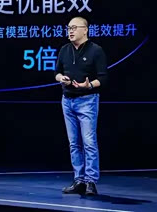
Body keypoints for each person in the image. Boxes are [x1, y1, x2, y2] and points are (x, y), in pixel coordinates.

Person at [54, 16, 108, 196]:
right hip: (67, 100)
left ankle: (90, 181)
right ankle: (79, 180)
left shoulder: (96, 50)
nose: (70, 31)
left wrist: (89, 85)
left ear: (85, 30)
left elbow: (103, 78)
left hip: (87, 100)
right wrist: (61, 78)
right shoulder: (64, 49)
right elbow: (57, 73)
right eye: (69, 28)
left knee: (89, 142)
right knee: (74, 143)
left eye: (74, 27)